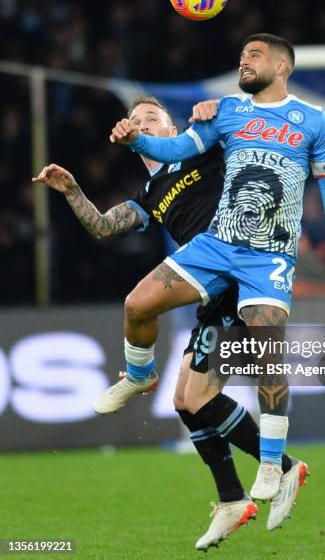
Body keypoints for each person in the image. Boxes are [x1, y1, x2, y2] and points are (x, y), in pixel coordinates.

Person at [32, 96, 309, 550]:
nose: (142, 122)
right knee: (184, 401)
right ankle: (234, 499)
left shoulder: (206, 151)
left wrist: (218, 107)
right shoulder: (149, 194)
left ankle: (276, 468)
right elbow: (103, 227)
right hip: (208, 289)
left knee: (193, 392)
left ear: (172, 125)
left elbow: (252, 131)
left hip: (241, 281)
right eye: (136, 118)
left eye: (152, 117)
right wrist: (71, 191)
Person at [107, 32, 325, 504]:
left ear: (282, 66)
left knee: (267, 356)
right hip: (217, 243)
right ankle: (137, 374)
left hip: (270, 255)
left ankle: (273, 465)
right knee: (138, 302)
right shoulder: (228, 110)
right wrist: (137, 140)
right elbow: (172, 153)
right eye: (242, 56)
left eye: (254, 55)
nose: (244, 62)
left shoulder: (313, 120)